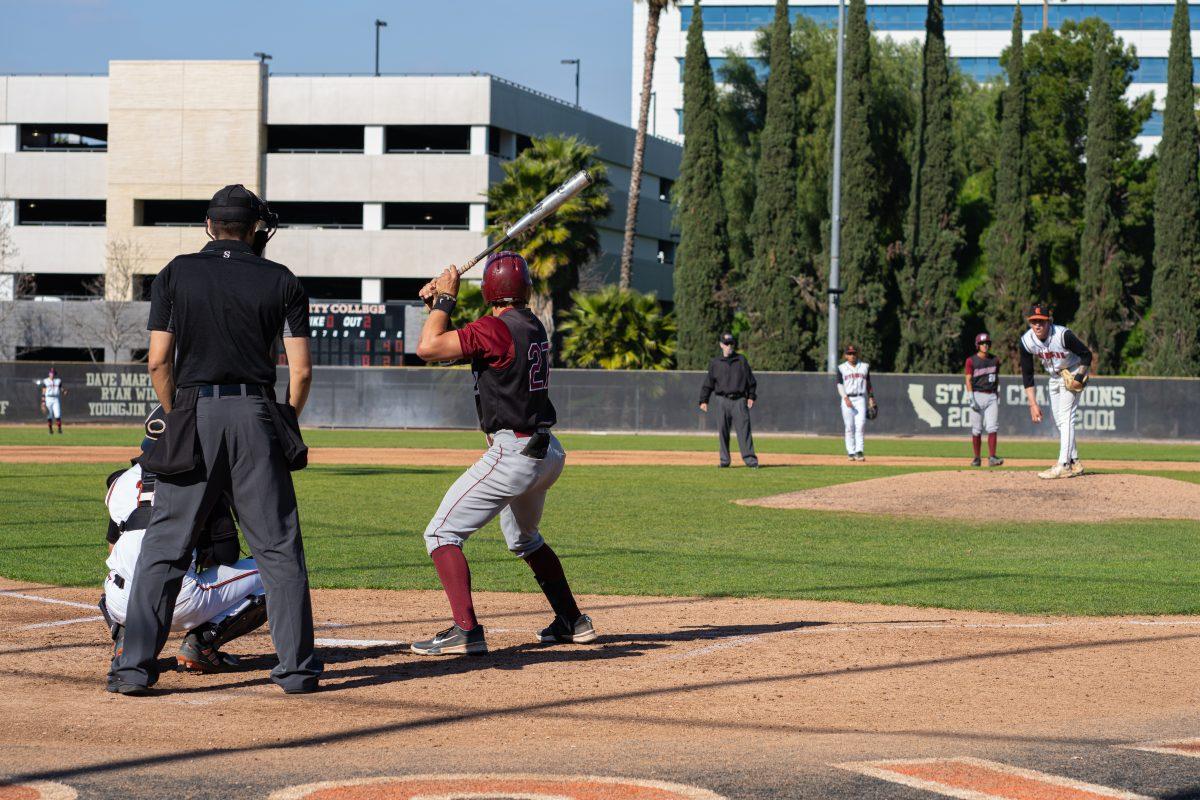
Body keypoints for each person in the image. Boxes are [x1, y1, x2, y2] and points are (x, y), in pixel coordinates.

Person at [107, 184, 322, 696]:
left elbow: (158, 359)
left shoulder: (176, 273)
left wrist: (176, 411)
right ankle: (296, 673)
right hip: (256, 414)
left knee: (166, 546)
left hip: (194, 409)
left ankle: (134, 669)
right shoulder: (282, 280)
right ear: (254, 230)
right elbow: (302, 370)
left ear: (209, 226)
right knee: (278, 549)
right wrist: (284, 420)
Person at [410, 251, 594, 656]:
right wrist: (435, 305)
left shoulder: (495, 328)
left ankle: (466, 631)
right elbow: (456, 346)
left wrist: (445, 300)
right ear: (525, 288)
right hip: (544, 452)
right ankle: (572, 621)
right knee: (526, 540)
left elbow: (427, 348)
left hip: (513, 453)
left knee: (440, 534)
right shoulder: (530, 324)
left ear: (490, 291)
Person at [101, 418, 267, 673]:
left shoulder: (120, 481)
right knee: (272, 573)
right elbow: (227, 554)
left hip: (119, 602)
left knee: (120, 574)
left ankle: (127, 637)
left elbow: (113, 548)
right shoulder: (204, 482)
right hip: (178, 602)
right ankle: (201, 644)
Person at [1019, 303, 1093, 480]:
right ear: (1030, 322)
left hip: (1072, 370)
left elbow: (1086, 355)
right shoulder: (1027, 341)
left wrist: (1079, 376)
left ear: (1049, 321)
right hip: (1054, 377)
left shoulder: (1062, 335)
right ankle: (1074, 461)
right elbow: (1027, 374)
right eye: (1034, 321)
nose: (1038, 325)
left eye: (1042, 321)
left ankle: (1063, 464)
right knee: (1060, 420)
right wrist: (1033, 404)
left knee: (1067, 416)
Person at [698, 332, 759, 469]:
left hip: (739, 401)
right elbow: (709, 383)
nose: (729, 346)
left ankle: (750, 460)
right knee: (723, 431)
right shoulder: (715, 363)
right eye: (726, 344)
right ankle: (724, 461)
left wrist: (751, 396)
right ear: (721, 345)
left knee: (744, 431)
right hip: (722, 401)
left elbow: (751, 381)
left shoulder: (741, 360)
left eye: (731, 343)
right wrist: (704, 400)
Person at [965, 332, 1004, 467]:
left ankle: (992, 457)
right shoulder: (971, 361)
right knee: (976, 429)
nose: (985, 345)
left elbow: (997, 377)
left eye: (987, 343)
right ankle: (977, 458)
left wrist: (997, 392)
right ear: (977, 345)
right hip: (976, 394)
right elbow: (968, 380)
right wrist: (970, 397)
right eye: (982, 343)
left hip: (991, 395)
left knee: (992, 427)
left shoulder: (995, 360)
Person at [837, 345, 876, 461]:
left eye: (853, 353)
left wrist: (871, 397)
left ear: (857, 354)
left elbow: (868, 383)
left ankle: (859, 451)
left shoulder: (864, 366)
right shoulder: (841, 368)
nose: (852, 355)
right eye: (849, 353)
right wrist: (845, 398)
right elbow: (839, 385)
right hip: (847, 398)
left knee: (861, 425)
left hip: (860, 398)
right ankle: (851, 452)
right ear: (845, 355)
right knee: (849, 427)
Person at [39, 367, 66, 434]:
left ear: (55, 374)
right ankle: (50, 430)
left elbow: (61, 388)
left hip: (56, 399)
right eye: (51, 373)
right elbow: (43, 392)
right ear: (49, 374)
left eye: (53, 373)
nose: (52, 374)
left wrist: (64, 391)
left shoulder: (58, 381)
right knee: (49, 415)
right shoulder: (46, 381)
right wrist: (43, 402)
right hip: (48, 399)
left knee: (58, 414)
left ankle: (59, 430)